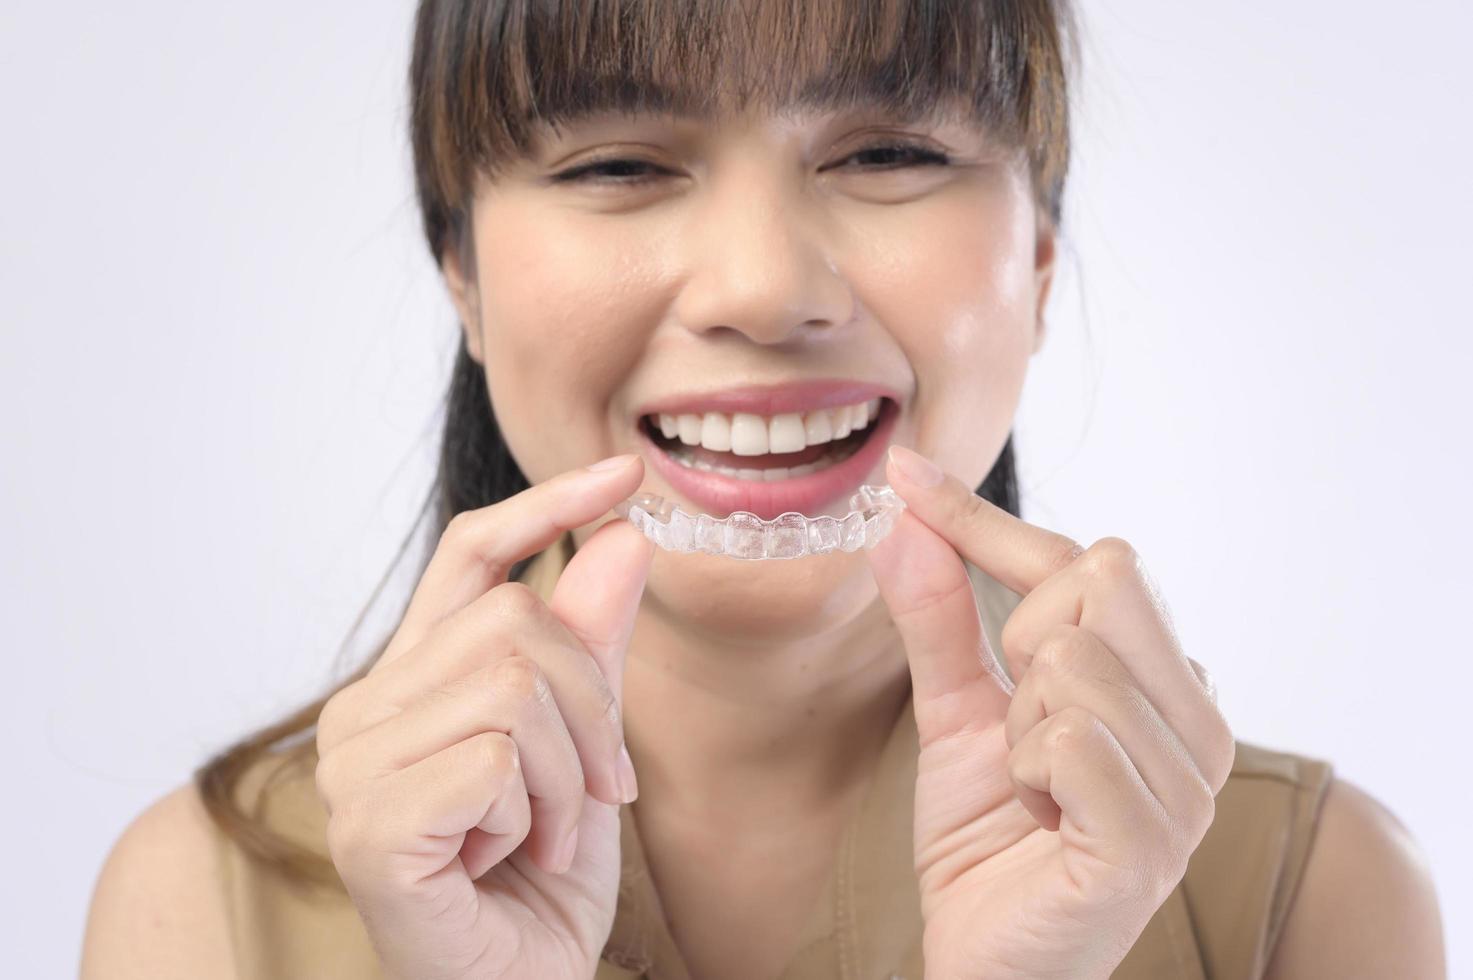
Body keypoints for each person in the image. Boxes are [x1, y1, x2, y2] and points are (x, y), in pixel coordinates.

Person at [81, 1, 1445, 977]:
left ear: (1037, 258)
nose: (764, 288)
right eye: (617, 164)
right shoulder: (206, 907)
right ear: (462, 277)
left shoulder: (1307, 898)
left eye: (888, 155)